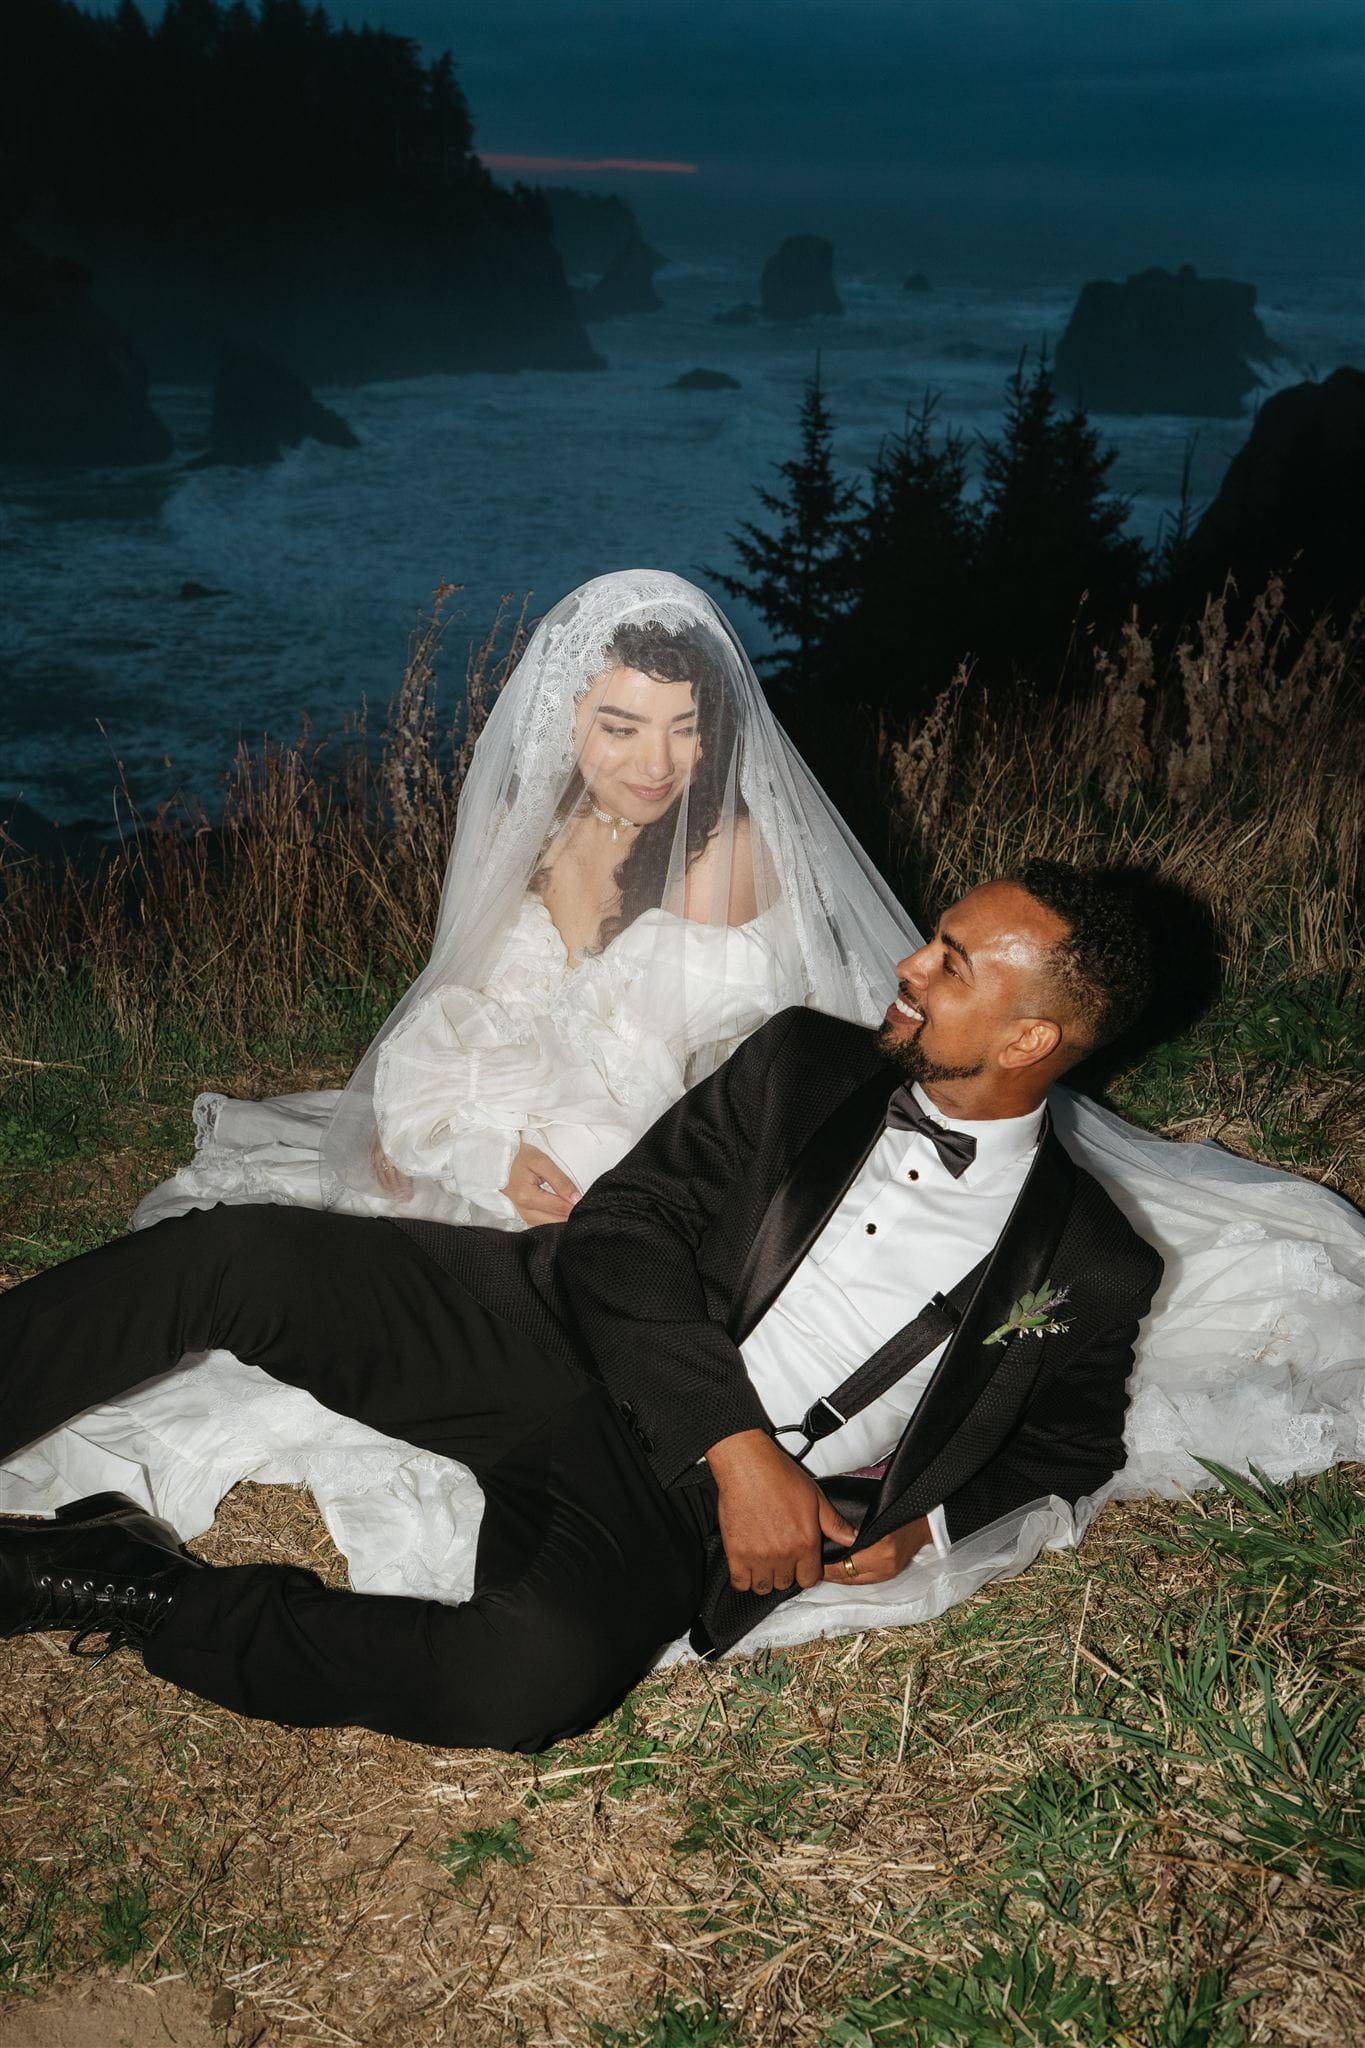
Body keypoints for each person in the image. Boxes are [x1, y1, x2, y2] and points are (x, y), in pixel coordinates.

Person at [2, 574, 1361, 1647]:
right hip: (556, 1181)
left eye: (684, 726)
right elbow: (451, 1035)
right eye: (618, 725)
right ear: (564, 726)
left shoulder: (735, 856)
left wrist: (587, 1176)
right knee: (234, 1255)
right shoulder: (540, 842)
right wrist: (468, 1142)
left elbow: (715, 1080)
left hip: (695, 1178)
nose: (654, 763)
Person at [1, 864, 1166, 1750]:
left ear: (1030, 1037)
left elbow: (1072, 1442)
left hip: (670, 1509)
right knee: (235, 1252)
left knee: (526, 1683)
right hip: (554, 1328)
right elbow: (625, 1227)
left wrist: (925, 1528)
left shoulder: (1094, 1260)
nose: (909, 962)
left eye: (953, 961)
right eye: (932, 937)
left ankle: (129, 1578)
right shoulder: (807, 1062)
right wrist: (738, 1439)